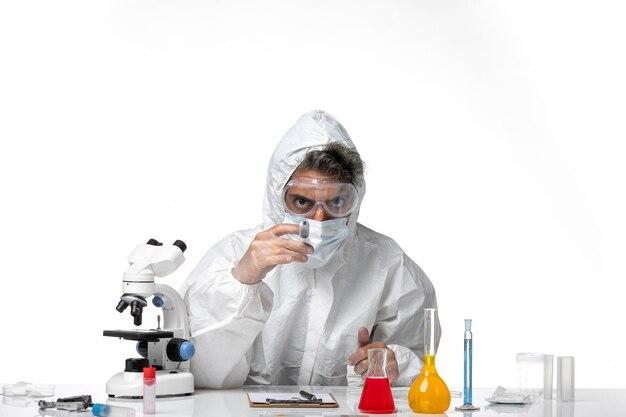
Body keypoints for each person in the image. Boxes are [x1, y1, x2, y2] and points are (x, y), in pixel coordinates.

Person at [181, 110, 440, 389]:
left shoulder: (387, 263)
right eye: (302, 201)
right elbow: (197, 371)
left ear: (355, 199)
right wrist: (241, 280)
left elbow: (418, 364)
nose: (319, 218)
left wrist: (393, 364)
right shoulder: (233, 255)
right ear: (278, 196)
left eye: (337, 201)